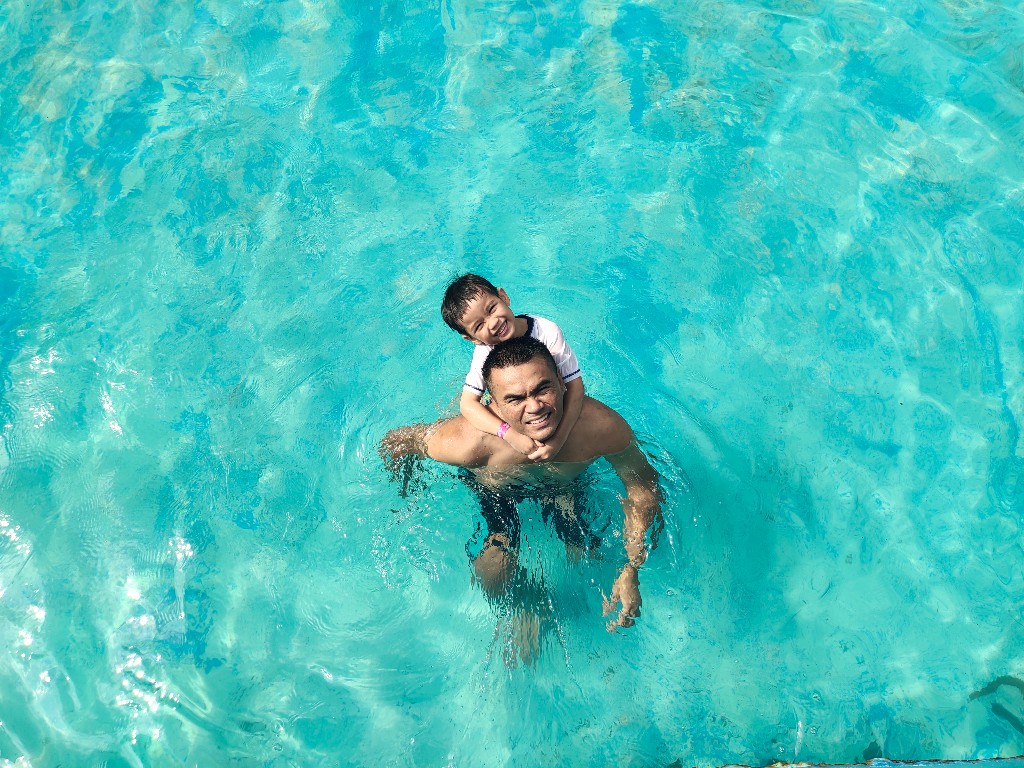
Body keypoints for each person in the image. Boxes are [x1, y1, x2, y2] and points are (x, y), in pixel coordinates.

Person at [381, 336, 662, 632]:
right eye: (515, 399)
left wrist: (632, 567)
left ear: (562, 382)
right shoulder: (469, 441)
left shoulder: (598, 426)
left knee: (587, 559)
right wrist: (406, 492)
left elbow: (643, 485)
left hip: (565, 488)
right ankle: (527, 609)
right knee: (493, 572)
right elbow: (396, 442)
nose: (535, 407)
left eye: (543, 389)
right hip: (497, 492)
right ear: (493, 405)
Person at [441, 274, 584, 462]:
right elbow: (467, 404)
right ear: (472, 339)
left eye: (492, 309)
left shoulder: (547, 332)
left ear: (503, 297)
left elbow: (575, 387)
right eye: (479, 325)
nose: (493, 323)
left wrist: (558, 441)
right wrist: (509, 434)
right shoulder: (484, 351)